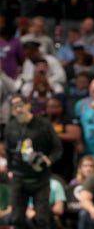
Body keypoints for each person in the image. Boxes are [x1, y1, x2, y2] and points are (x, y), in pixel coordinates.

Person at [6, 94, 63, 229]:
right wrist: (10, 169)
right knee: (17, 218)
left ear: (28, 105)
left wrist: (49, 160)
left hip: (40, 179)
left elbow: (57, 148)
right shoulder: (10, 127)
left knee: (42, 218)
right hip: (19, 178)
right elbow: (9, 151)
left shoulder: (44, 124)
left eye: (20, 106)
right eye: (14, 107)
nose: (18, 110)